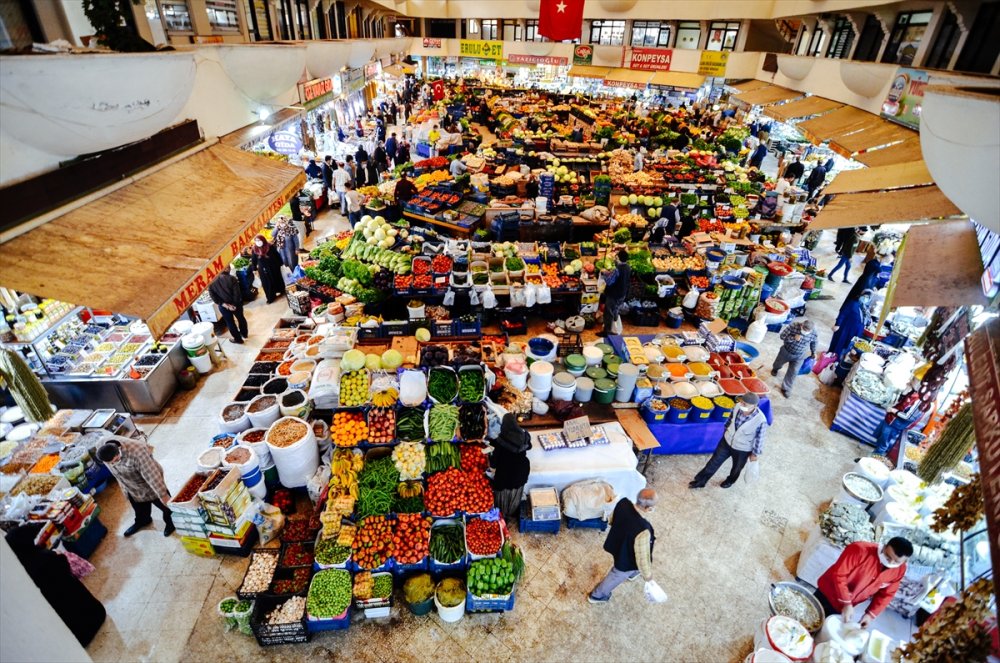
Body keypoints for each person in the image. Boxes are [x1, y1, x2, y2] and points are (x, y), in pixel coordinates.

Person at [6, 522, 106, 646]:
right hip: (90, 609)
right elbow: (64, 566)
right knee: (79, 602)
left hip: (75, 630)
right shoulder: (45, 557)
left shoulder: (22, 569)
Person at [815, 538, 912, 628]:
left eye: (896, 561)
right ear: (885, 546)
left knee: (825, 626)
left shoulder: (899, 570)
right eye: (887, 556)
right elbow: (839, 575)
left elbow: (886, 594)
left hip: (847, 604)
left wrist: (870, 615)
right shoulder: (859, 550)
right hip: (828, 592)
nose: (890, 562)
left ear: (905, 561)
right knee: (811, 615)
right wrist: (846, 602)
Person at [588, 489, 657, 604]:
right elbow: (642, 558)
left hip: (617, 543)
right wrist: (648, 576)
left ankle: (633, 573)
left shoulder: (623, 503)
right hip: (626, 558)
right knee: (617, 575)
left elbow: (612, 520)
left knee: (627, 569)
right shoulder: (644, 530)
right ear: (648, 509)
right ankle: (597, 595)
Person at [96, 436, 174, 537]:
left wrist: (163, 495)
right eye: (110, 463)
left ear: (118, 452)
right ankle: (143, 521)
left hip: (147, 481)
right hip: (129, 484)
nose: (113, 464)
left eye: (115, 460)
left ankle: (171, 523)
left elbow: (151, 475)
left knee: (165, 506)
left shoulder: (137, 451)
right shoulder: (101, 445)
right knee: (139, 508)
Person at [689, 392, 767, 488]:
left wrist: (754, 454)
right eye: (742, 402)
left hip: (742, 449)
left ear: (754, 406)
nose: (741, 405)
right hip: (726, 441)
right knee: (713, 462)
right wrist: (726, 431)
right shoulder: (737, 406)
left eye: (745, 404)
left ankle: (730, 481)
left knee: (736, 468)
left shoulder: (760, 420)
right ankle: (700, 481)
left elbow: (760, 439)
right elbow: (730, 419)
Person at [490, 413, 532, 518]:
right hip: (521, 469)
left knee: (504, 495)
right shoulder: (524, 435)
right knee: (516, 492)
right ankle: (512, 511)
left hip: (505, 472)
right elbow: (529, 446)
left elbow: (493, 463)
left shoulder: (500, 441)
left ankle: (503, 515)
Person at [871, 386, 931, 457]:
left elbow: (910, 417)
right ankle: (871, 457)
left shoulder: (922, 400)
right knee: (880, 440)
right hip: (889, 419)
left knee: (883, 445)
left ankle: (871, 461)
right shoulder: (915, 392)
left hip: (894, 425)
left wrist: (893, 411)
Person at [771, 319, 817, 397]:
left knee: (794, 372)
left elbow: (814, 342)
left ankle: (786, 389)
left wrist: (814, 352)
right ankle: (775, 369)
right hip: (786, 351)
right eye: (805, 330)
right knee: (778, 364)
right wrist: (793, 337)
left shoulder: (813, 332)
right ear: (802, 325)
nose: (806, 332)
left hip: (799, 355)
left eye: (808, 331)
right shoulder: (793, 326)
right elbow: (782, 336)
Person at [828, 289, 873, 358]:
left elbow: (866, 319)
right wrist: (838, 324)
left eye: (867, 298)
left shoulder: (865, 308)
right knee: (840, 343)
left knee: (849, 345)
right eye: (864, 296)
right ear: (861, 296)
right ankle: (833, 359)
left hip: (857, 331)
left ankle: (840, 359)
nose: (865, 299)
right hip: (846, 328)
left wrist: (869, 323)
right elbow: (843, 314)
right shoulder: (852, 303)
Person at [208, 269, 248, 344]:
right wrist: (234, 305)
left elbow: (214, 297)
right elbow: (237, 293)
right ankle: (244, 334)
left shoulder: (211, 283)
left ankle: (238, 339)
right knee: (241, 318)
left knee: (230, 322)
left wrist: (225, 305)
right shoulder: (231, 278)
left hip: (223, 306)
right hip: (236, 304)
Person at [601, 249, 632, 338]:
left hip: (614, 294)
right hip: (622, 293)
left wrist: (604, 274)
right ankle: (614, 328)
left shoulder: (618, 270)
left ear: (618, 258)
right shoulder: (628, 267)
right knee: (615, 310)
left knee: (609, 312)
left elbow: (609, 281)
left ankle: (607, 332)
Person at [251, 234, 285, 303]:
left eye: (259, 240)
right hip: (263, 269)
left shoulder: (270, 246)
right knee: (267, 283)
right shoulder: (255, 249)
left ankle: (281, 290)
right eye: (256, 240)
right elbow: (253, 259)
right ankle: (271, 297)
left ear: (263, 240)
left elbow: (276, 255)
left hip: (274, 266)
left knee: (277, 279)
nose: (258, 242)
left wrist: (281, 263)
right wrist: (254, 268)